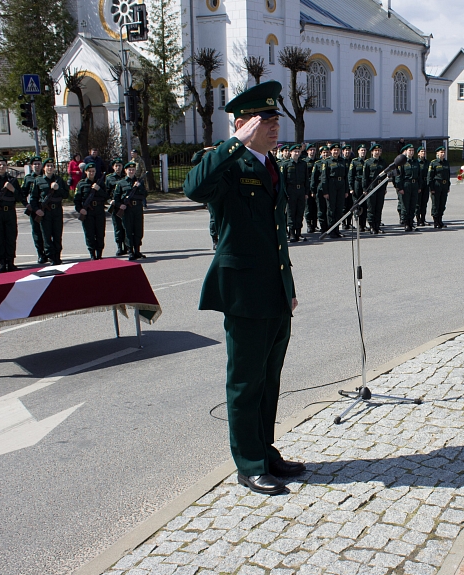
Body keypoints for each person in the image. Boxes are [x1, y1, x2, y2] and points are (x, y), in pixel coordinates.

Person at [183, 80, 301, 496]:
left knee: (269, 378)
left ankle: (265, 451)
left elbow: (276, 235)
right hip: (243, 293)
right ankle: (248, 463)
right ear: (243, 124)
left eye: (275, 119)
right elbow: (194, 187)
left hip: (272, 289)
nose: (274, 127)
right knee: (245, 380)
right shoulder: (229, 163)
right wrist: (233, 142)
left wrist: (286, 285)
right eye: (265, 120)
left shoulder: (272, 165)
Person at [31, 158, 68, 265]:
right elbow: (33, 198)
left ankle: (57, 256)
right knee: (46, 236)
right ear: (44, 168)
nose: (50, 168)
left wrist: (58, 189)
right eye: (47, 166)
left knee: (57, 234)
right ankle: (51, 256)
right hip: (45, 212)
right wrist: (37, 210)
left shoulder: (59, 180)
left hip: (56, 210)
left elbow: (66, 194)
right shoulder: (38, 180)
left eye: (52, 166)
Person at [74, 162, 108, 259]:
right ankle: (92, 254)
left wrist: (99, 189)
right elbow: (77, 200)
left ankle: (99, 253)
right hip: (87, 213)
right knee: (89, 234)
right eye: (89, 171)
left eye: (93, 171)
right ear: (86, 172)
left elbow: (106, 196)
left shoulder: (100, 183)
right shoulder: (81, 184)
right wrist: (80, 210)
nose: (91, 173)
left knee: (100, 233)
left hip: (99, 211)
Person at [114, 162, 147, 260]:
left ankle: (137, 250)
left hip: (137, 209)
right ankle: (131, 251)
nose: (131, 171)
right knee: (128, 231)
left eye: (133, 170)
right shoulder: (121, 183)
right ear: (125, 171)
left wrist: (139, 186)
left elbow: (145, 194)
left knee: (138, 230)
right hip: (127, 210)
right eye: (129, 170)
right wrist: (121, 205)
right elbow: (116, 197)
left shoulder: (139, 182)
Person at [21, 156, 47, 264]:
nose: (37, 166)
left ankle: (49, 253)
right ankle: (40, 254)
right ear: (31, 166)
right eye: (35, 164)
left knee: (47, 232)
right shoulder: (28, 179)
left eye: (39, 164)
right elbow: (22, 194)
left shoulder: (46, 177)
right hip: (34, 209)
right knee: (37, 233)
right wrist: (26, 205)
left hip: (45, 209)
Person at [281, 144, 309, 242]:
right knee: (291, 212)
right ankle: (292, 233)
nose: (297, 153)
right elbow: (283, 181)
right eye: (295, 152)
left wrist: (306, 192)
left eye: (298, 152)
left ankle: (298, 232)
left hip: (301, 190)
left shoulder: (303, 164)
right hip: (290, 190)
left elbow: (306, 179)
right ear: (291, 153)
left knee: (300, 212)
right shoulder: (285, 164)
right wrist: (285, 194)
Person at [320, 143, 347, 238]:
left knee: (339, 209)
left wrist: (346, 190)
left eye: (338, 150)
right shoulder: (327, 162)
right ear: (331, 151)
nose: (336, 152)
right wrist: (325, 191)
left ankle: (337, 230)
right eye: (334, 150)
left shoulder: (342, 161)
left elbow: (346, 176)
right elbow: (324, 177)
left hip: (341, 185)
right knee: (331, 209)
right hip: (331, 185)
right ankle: (331, 230)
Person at [395, 143, 421, 232]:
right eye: (409, 150)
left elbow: (419, 175)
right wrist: (400, 187)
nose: (411, 152)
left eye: (413, 150)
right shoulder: (402, 162)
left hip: (414, 185)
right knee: (405, 205)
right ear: (405, 152)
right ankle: (406, 223)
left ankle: (411, 222)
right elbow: (398, 176)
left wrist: (419, 186)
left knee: (413, 205)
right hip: (406, 185)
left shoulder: (416, 162)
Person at [105, 159, 128, 255]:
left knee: (126, 227)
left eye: (120, 165)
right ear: (113, 167)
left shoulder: (126, 177)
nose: (118, 167)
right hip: (115, 206)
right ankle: (119, 247)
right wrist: (110, 201)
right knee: (118, 227)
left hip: (125, 205)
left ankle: (127, 246)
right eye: (116, 165)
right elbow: (105, 193)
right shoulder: (109, 178)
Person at [364, 143, 387, 234]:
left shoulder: (383, 162)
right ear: (372, 152)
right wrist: (365, 188)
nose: (377, 152)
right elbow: (365, 177)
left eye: (379, 151)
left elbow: (386, 176)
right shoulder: (368, 162)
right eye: (376, 151)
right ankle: (372, 226)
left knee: (379, 207)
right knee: (371, 207)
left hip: (380, 187)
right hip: (371, 187)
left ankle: (377, 225)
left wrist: (384, 188)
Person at [428, 146, 451, 229]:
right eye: (441, 152)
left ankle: (440, 220)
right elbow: (430, 177)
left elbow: (448, 175)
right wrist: (431, 188)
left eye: (444, 152)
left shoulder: (446, 163)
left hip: (444, 186)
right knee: (436, 204)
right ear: (437, 153)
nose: (443, 154)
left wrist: (448, 186)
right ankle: (435, 221)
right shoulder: (433, 163)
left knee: (442, 204)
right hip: (436, 185)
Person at [348, 144, 368, 232]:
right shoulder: (354, 162)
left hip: (366, 185)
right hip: (357, 184)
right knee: (357, 205)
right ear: (358, 151)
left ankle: (363, 224)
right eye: (361, 150)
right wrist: (351, 188)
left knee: (365, 205)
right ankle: (359, 224)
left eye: (364, 150)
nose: (363, 152)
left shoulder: (368, 161)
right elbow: (350, 175)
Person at [311, 146, 329, 233]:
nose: (325, 154)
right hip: (320, 188)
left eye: (327, 152)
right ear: (321, 154)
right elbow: (314, 178)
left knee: (329, 209)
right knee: (321, 209)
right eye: (323, 153)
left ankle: (329, 226)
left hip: (329, 188)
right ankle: (323, 227)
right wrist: (313, 190)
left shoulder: (330, 162)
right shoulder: (317, 163)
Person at [303, 144, 318, 233]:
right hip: (307, 186)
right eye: (311, 150)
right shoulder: (304, 162)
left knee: (315, 207)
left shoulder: (317, 161)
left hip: (316, 186)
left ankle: (314, 225)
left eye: (313, 150)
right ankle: (309, 224)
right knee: (308, 207)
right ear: (307, 151)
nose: (312, 152)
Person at [416, 146, 431, 226]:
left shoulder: (428, 163)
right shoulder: (416, 162)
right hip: (419, 184)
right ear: (418, 153)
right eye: (421, 151)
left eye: (424, 151)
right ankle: (418, 219)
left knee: (424, 202)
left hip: (426, 183)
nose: (423, 153)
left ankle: (423, 218)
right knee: (418, 203)